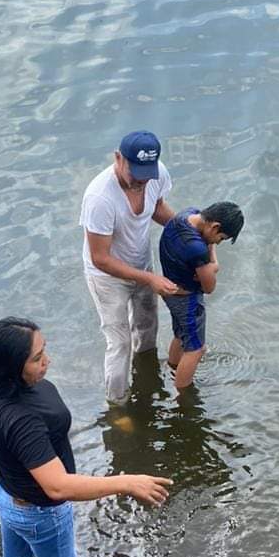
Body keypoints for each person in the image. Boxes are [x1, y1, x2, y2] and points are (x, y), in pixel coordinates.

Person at [0, 316, 172, 557]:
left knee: (15, 554)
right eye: (36, 358)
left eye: (44, 350)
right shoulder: (21, 418)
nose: (47, 361)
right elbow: (57, 486)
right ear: (11, 367)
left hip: (1, 487)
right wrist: (126, 482)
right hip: (37, 511)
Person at [80, 131, 181, 405]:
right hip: (106, 277)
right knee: (119, 342)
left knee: (148, 327)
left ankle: (147, 378)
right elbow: (100, 257)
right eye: (135, 172)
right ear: (118, 158)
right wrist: (150, 278)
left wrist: (188, 230)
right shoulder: (100, 198)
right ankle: (117, 404)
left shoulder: (156, 174)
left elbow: (157, 208)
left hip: (141, 263)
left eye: (147, 173)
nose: (141, 180)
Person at [159, 202, 244, 390]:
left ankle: (173, 369)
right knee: (196, 350)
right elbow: (209, 287)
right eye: (220, 238)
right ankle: (182, 395)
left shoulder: (185, 215)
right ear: (215, 227)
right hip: (187, 300)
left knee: (180, 336)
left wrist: (209, 255)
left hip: (171, 291)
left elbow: (205, 249)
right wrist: (214, 265)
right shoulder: (196, 249)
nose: (216, 243)